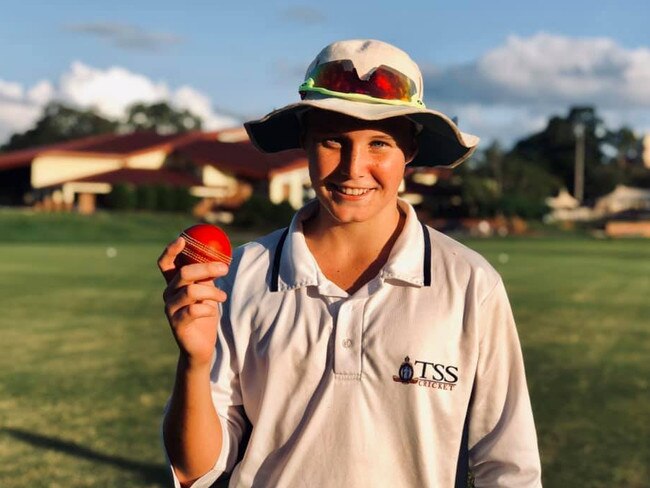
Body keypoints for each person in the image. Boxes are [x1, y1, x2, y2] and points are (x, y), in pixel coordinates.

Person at [158, 39, 542, 487]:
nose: (353, 168)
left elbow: (509, 467)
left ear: (410, 151)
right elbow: (196, 470)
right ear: (304, 142)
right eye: (332, 141)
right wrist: (195, 362)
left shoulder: (471, 284)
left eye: (378, 143)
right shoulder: (242, 273)